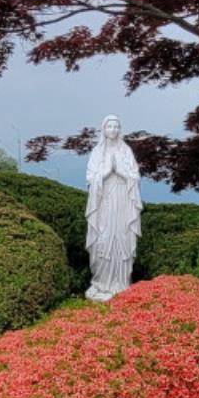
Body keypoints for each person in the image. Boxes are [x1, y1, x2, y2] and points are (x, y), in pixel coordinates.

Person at [84, 114, 142, 300]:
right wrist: (107, 171)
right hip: (104, 202)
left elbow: (135, 176)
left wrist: (121, 172)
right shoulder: (97, 152)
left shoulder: (126, 151)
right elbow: (90, 178)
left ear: (120, 130)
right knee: (103, 237)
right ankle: (101, 282)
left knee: (122, 237)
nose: (113, 130)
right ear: (104, 129)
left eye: (116, 126)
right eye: (109, 126)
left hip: (123, 200)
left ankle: (121, 282)